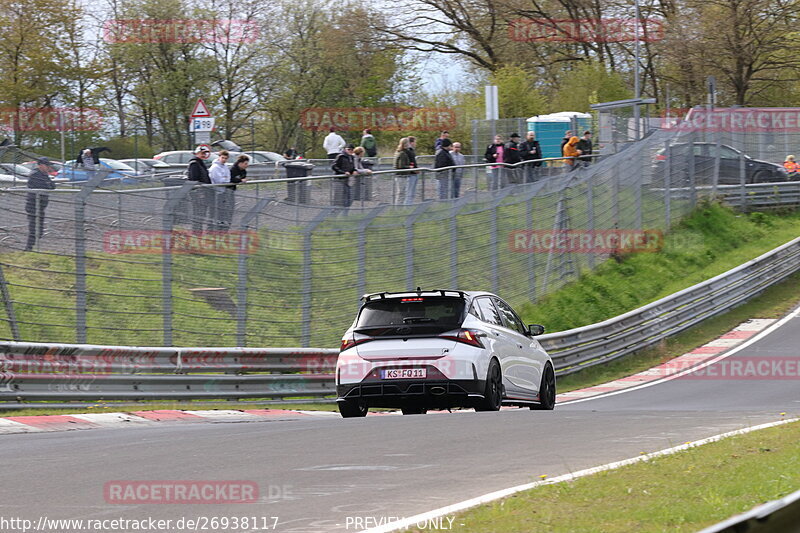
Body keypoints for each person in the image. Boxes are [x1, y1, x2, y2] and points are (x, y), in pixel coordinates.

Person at [24, 157, 57, 251]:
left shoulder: (44, 174)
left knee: (39, 228)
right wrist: (47, 185)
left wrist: (48, 185)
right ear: (41, 165)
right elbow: (45, 186)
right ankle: (29, 248)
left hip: (41, 204)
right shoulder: (35, 174)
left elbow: (52, 186)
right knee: (34, 227)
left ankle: (33, 246)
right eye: (47, 165)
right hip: (33, 204)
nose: (49, 168)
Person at [187, 145, 212, 232]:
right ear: (197, 153)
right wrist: (199, 192)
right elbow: (194, 179)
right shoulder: (194, 164)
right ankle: (196, 231)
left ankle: (198, 231)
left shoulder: (200, 163)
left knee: (202, 214)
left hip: (204, 192)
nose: (204, 155)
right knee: (198, 213)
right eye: (202, 153)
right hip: (198, 193)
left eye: (205, 153)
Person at [209, 150, 233, 230]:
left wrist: (225, 179)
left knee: (222, 209)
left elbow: (228, 177)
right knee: (215, 210)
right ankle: (213, 226)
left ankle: (220, 224)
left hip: (223, 191)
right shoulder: (215, 167)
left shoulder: (225, 167)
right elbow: (218, 179)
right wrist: (225, 179)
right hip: (216, 191)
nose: (224, 160)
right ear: (219, 157)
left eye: (225, 158)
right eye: (222, 158)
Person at [393, 137, 417, 205]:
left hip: (401, 175)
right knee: (401, 193)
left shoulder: (400, 152)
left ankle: (400, 208)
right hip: (401, 175)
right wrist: (409, 167)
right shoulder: (402, 153)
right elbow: (401, 166)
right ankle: (398, 209)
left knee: (402, 193)